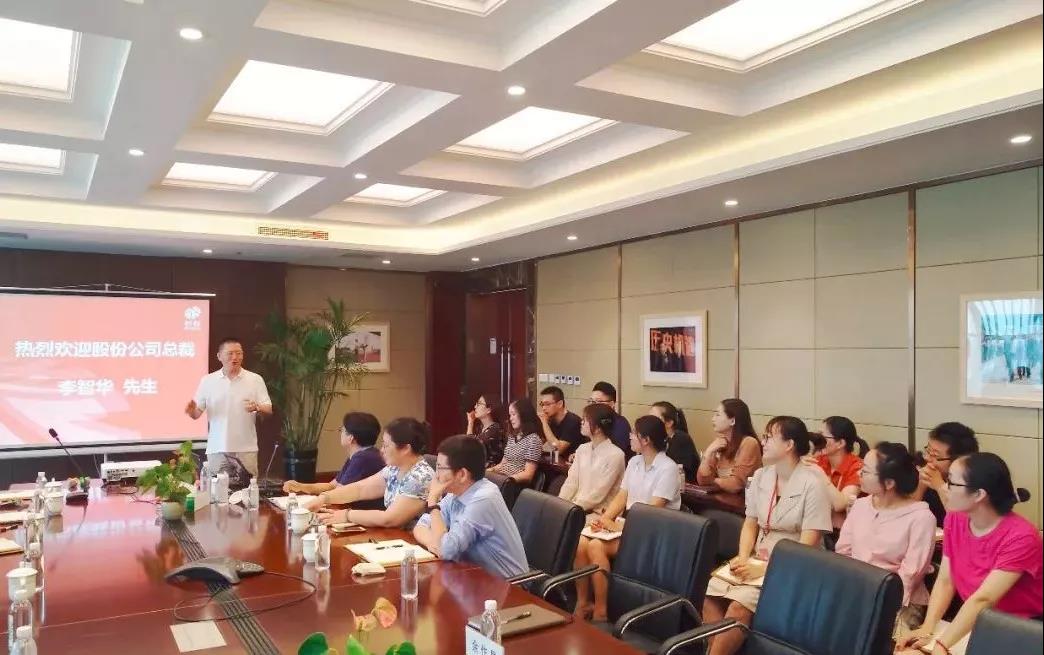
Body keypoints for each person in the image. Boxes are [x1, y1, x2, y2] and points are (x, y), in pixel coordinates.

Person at [702, 416, 831, 655]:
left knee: (739, 606)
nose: (763, 442)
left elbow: (807, 548)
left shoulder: (813, 485)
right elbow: (750, 523)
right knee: (710, 591)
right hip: (756, 559)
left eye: (769, 437)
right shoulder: (762, 476)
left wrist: (766, 569)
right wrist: (743, 557)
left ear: (789, 445)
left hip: (793, 567)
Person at [896, 453, 1042, 655]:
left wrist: (942, 645)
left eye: (951, 483)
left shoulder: (1021, 536)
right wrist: (927, 628)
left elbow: (984, 599)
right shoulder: (955, 518)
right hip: (978, 621)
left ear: (978, 495)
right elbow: (946, 580)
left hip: (1023, 630)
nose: (944, 488)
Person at [574, 415, 682, 621]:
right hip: (629, 525)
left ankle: (601, 610)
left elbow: (653, 511)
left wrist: (619, 528)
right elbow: (622, 496)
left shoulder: (668, 468)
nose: (629, 436)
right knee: (581, 542)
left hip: (653, 532)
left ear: (646, 440)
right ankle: (583, 602)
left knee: (595, 546)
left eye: (634, 433)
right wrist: (604, 519)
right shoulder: (634, 461)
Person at [836, 442, 936, 626]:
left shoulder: (921, 518)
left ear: (889, 483)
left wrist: (878, 601)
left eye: (866, 471)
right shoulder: (860, 505)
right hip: (856, 591)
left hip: (898, 601)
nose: (859, 473)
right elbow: (843, 551)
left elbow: (910, 574)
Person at [413, 435, 529, 579]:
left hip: (509, 585)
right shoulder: (456, 492)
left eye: (440, 468)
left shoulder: (483, 499)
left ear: (462, 474)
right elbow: (421, 526)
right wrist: (435, 543)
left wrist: (432, 503)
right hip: (473, 577)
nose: (436, 476)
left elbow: (446, 550)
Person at [307, 417, 434, 529]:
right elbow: (360, 489)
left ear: (406, 449)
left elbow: (389, 519)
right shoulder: (394, 468)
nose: (381, 450)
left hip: (413, 542)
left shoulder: (420, 477)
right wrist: (324, 498)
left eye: (386, 446)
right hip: (394, 536)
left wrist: (347, 515)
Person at [185, 337, 272, 477]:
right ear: (219, 356)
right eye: (230, 353)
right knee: (217, 488)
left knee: (249, 488)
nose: (235, 357)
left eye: (239, 353)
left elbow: (268, 409)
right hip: (217, 449)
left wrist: (257, 407)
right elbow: (196, 414)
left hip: (246, 449)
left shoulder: (255, 379)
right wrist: (191, 411)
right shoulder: (208, 381)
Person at [283, 412, 384, 494]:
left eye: (342, 430)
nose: (340, 433)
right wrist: (300, 486)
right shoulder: (361, 455)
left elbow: (339, 492)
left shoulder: (363, 458)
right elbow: (332, 485)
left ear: (351, 438)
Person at [559, 403, 626, 513]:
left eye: (585, 420)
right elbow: (571, 482)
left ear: (598, 428)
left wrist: (572, 508)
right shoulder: (582, 449)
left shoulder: (616, 455)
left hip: (599, 513)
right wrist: (560, 503)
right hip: (575, 508)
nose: (582, 423)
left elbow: (598, 493)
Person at [804, 416, 868, 529]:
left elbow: (840, 504)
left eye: (822, 437)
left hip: (846, 530)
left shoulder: (857, 467)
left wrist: (820, 474)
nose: (818, 441)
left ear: (840, 443)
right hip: (822, 525)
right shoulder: (820, 460)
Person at [916, 422, 979, 527]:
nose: (927, 458)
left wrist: (940, 486)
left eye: (935, 455)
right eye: (928, 451)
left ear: (957, 460)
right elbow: (908, 514)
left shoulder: (973, 485)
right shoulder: (923, 468)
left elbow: (963, 524)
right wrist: (921, 485)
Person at [697, 399, 762, 493]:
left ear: (732, 421)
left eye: (718, 415)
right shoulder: (719, 442)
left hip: (744, 500)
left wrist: (711, 481)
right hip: (722, 498)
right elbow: (702, 480)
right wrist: (709, 452)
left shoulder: (749, 443)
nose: (713, 419)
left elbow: (736, 485)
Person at [488, 398, 543, 485]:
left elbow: (528, 475)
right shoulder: (512, 437)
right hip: (501, 478)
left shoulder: (533, 439)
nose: (511, 418)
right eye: (510, 415)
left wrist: (505, 480)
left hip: (512, 484)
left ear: (524, 415)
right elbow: (502, 464)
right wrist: (489, 471)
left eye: (513, 414)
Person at [650, 401, 699, 482]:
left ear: (669, 423)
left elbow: (678, 473)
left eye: (653, 419)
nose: (649, 422)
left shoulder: (681, 439)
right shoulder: (657, 439)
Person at [537, 385, 584, 457]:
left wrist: (544, 423)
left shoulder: (572, 421)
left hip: (574, 462)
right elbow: (537, 444)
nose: (543, 408)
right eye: (542, 404)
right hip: (558, 461)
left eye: (547, 404)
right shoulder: (550, 419)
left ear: (560, 404)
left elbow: (558, 449)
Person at [589, 381, 631, 455]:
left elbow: (613, 454)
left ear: (611, 404)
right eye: (591, 401)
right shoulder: (595, 421)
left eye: (597, 401)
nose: (592, 406)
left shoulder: (621, 425)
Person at [465, 395, 506, 468]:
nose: (475, 407)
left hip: (490, 471)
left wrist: (470, 422)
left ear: (489, 409)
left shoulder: (495, 430)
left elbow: (470, 448)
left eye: (479, 404)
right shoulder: (480, 428)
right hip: (480, 470)